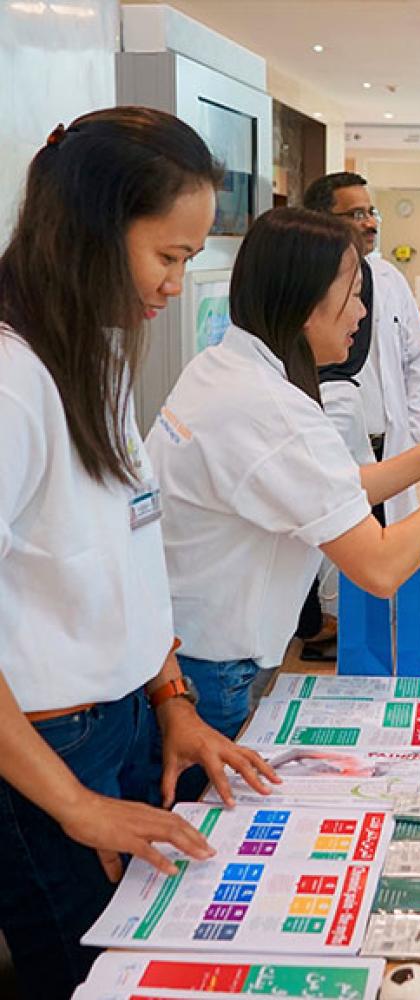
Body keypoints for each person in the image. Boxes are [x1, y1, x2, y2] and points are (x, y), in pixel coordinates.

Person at [0, 107, 276, 1000]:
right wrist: (75, 805)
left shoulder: (98, 348)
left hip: (121, 722)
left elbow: (129, 546)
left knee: (155, 966)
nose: (175, 284)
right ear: (90, 229)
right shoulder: (11, 381)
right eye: (169, 256)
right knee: (92, 981)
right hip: (41, 759)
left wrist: (171, 697)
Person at [146, 206, 420, 747]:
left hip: (189, 655)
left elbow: (331, 488)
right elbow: (381, 566)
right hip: (209, 675)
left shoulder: (222, 368)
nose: (363, 312)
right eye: (352, 295)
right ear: (305, 304)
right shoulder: (271, 410)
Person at [302, 171, 420, 521]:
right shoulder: (304, 282)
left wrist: (418, 435)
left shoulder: (390, 279)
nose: (371, 223)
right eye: (357, 214)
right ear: (322, 220)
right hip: (330, 448)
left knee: (384, 545)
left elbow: (418, 358)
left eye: (372, 212)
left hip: (389, 448)